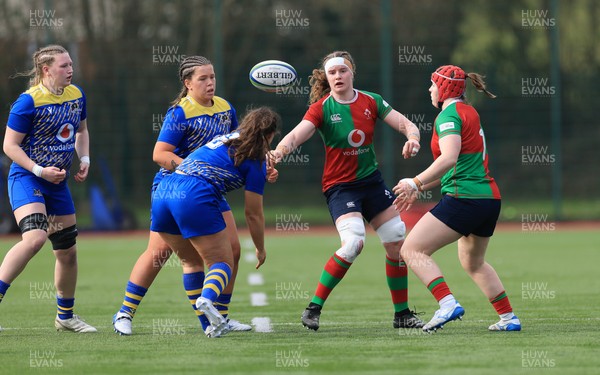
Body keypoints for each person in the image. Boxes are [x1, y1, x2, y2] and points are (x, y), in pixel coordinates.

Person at [272, 51, 424, 331]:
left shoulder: (371, 101)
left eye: (343, 71)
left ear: (352, 72)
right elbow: (295, 135)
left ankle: (401, 314)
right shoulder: (321, 109)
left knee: (396, 238)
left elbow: (406, 124)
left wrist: (412, 138)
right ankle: (313, 308)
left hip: (372, 183)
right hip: (340, 188)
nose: (338, 76)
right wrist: (279, 151)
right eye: (332, 73)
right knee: (354, 243)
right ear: (327, 78)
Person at [113, 56, 260, 335]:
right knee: (160, 252)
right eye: (203, 78)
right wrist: (194, 167)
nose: (210, 83)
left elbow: (236, 148)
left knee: (234, 250)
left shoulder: (225, 108)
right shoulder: (181, 113)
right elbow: (160, 154)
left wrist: (264, 166)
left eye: (212, 77)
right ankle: (124, 312)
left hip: (208, 189)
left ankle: (221, 318)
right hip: (174, 187)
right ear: (188, 83)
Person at [393, 65, 521, 332]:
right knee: (473, 263)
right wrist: (419, 187)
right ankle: (509, 318)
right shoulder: (469, 111)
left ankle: (447, 303)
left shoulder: (448, 115)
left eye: (432, 84)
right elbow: (455, 165)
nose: (429, 89)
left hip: (465, 198)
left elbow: (449, 158)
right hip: (488, 199)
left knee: (411, 250)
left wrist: (414, 181)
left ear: (444, 88)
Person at [150, 106, 280, 338]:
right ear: (269, 136)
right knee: (222, 263)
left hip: (163, 192)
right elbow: (253, 214)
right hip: (193, 196)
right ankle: (208, 299)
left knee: (190, 263)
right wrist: (260, 248)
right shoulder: (256, 160)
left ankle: (210, 325)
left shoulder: (225, 139)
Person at [0, 44, 96, 332]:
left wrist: (85, 158)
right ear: (46, 69)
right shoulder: (27, 102)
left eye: (71, 65)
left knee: (67, 252)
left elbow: (81, 130)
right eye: (64, 66)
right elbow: (9, 145)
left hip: (57, 184)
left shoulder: (76, 95)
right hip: (27, 178)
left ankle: (65, 318)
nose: (70, 70)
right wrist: (39, 170)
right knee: (35, 238)